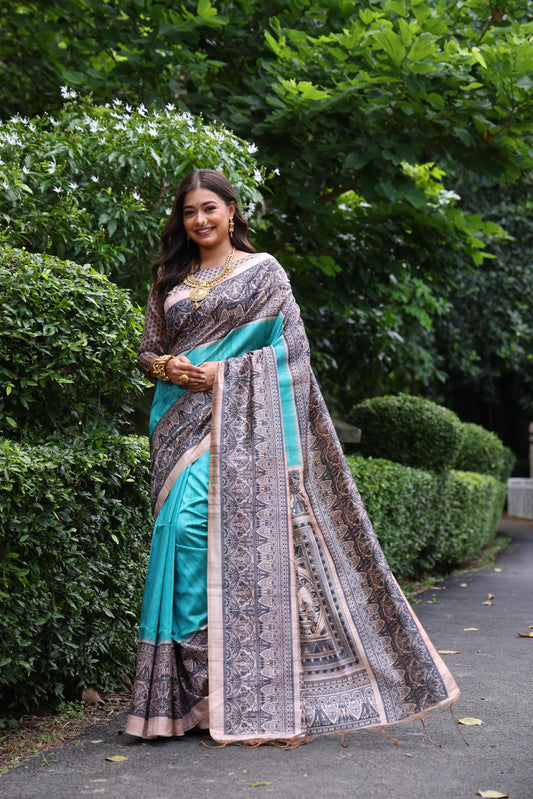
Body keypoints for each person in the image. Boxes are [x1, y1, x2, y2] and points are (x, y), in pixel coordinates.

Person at [126, 169, 459, 744]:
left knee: (207, 533)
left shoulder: (265, 273)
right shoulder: (169, 279)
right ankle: (202, 699)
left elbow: (293, 358)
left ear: (232, 210)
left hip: (239, 427)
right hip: (177, 426)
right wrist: (164, 367)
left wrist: (224, 376)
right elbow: (148, 349)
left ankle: (249, 696)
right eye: (189, 213)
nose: (200, 220)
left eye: (210, 208)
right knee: (177, 540)